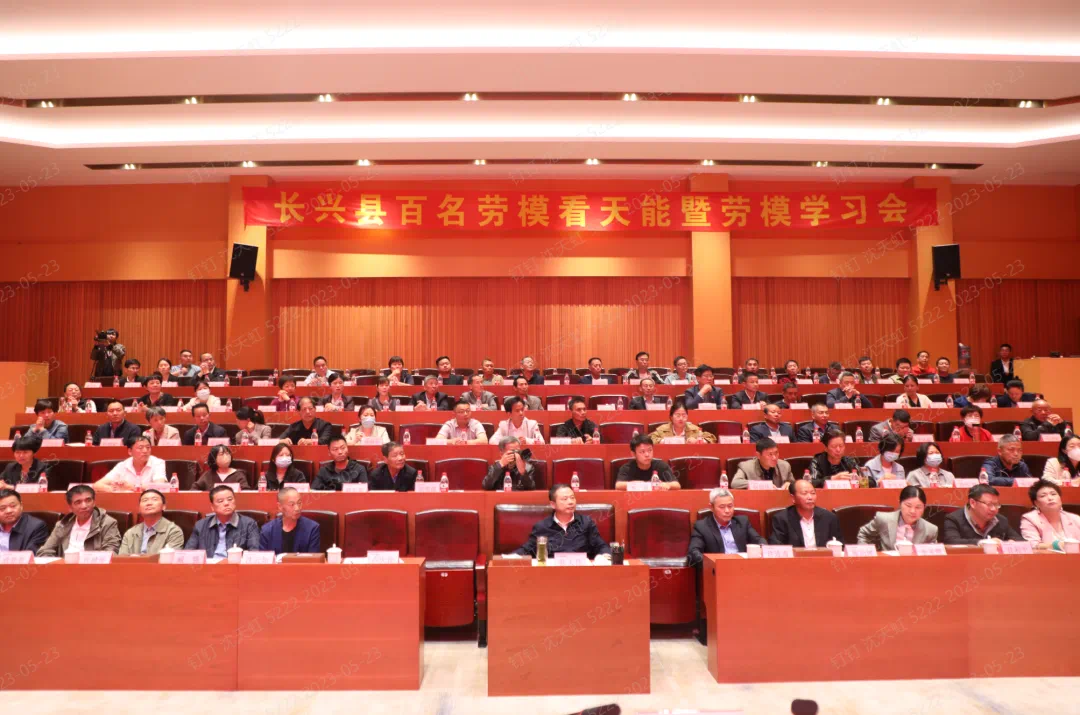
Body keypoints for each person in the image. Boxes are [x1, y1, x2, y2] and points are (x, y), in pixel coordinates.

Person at [513, 484, 612, 560]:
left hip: (582, 572)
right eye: (565, 499)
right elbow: (527, 550)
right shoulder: (542, 527)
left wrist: (605, 556)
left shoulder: (586, 523)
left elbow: (601, 546)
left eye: (572, 497)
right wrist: (511, 558)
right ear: (553, 504)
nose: (570, 502)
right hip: (552, 574)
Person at [37, 485, 121, 556]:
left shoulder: (107, 523)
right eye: (78, 502)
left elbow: (111, 553)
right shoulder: (62, 525)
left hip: (93, 568)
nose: (84, 506)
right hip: (65, 567)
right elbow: (44, 551)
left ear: (94, 502)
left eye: (88, 500)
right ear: (70, 507)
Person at [687, 488, 766, 563]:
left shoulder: (743, 522)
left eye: (730, 506)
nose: (727, 511)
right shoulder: (702, 527)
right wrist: (710, 563)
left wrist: (762, 548)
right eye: (722, 507)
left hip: (743, 566)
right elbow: (693, 551)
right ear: (711, 507)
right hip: (717, 567)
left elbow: (759, 540)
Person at [184, 485, 261, 556]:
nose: (226, 503)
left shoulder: (249, 524)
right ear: (212, 507)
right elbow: (188, 553)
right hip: (208, 565)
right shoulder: (200, 525)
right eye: (220, 501)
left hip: (235, 565)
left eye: (230, 499)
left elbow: (254, 553)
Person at [857, 486, 939, 550]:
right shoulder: (883, 519)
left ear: (924, 507)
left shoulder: (931, 530)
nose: (913, 511)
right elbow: (864, 534)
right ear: (900, 503)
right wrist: (867, 554)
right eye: (908, 505)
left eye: (918, 507)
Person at [768, 480, 841, 547]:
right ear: (793, 498)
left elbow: (840, 546)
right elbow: (776, 546)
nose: (810, 497)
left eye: (813, 493)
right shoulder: (782, 519)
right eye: (804, 493)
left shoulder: (829, 518)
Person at [942, 484, 1022, 544]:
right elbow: (951, 542)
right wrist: (983, 542)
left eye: (996, 504)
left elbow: (1020, 540)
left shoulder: (1001, 520)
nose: (993, 509)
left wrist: (1012, 542)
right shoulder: (953, 519)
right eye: (989, 504)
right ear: (973, 503)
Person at [117, 489, 185, 555]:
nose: (149, 503)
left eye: (154, 499)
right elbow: (122, 558)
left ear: (164, 506)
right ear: (139, 508)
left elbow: (169, 558)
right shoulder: (130, 533)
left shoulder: (173, 531)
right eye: (145, 500)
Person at [1020, 480, 1080, 550]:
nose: (1050, 498)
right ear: (1036, 503)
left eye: (1053, 494)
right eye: (1043, 496)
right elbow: (1033, 546)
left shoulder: (1075, 518)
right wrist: (1056, 545)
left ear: (1060, 498)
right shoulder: (1030, 519)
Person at [260, 487, 322, 554]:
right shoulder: (267, 530)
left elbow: (313, 558)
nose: (297, 508)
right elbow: (263, 558)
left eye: (299, 503)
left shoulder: (312, 528)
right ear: (280, 506)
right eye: (292, 504)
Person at [94, 435, 166, 492]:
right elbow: (97, 485)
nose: (145, 451)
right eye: (140, 448)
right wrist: (115, 489)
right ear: (130, 451)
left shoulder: (158, 463)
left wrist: (132, 487)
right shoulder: (122, 465)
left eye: (148, 447)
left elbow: (159, 486)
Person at [615, 434, 680, 490]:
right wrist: (641, 484)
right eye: (642, 451)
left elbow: (677, 485)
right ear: (633, 454)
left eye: (650, 450)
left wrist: (667, 485)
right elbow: (618, 485)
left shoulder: (661, 466)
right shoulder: (627, 468)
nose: (647, 455)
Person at [648, 399, 716, 444]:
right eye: (678, 415)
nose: (681, 418)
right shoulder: (662, 429)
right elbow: (650, 439)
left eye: (684, 415)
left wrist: (698, 441)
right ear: (671, 417)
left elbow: (712, 438)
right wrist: (666, 441)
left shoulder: (694, 429)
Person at [0, 489, 48, 553]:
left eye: (13, 506)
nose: (9, 511)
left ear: (21, 506)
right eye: (2, 508)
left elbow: (29, 554)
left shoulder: (36, 527)